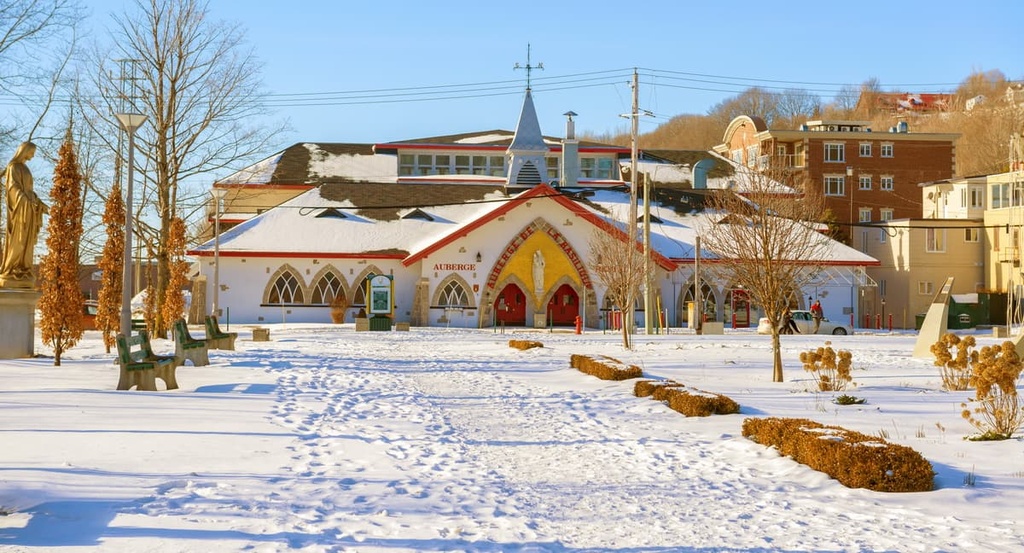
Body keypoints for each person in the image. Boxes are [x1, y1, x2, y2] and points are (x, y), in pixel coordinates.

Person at [0, 141, 47, 289]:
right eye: (31, 152)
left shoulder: (25, 168)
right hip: (20, 210)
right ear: (24, 150)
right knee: (18, 240)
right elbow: (14, 187)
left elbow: (29, 190)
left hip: (30, 211)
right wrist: (25, 200)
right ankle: (11, 268)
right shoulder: (13, 167)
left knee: (27, 243)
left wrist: (39, 203)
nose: (32, 156)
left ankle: (23, 268)